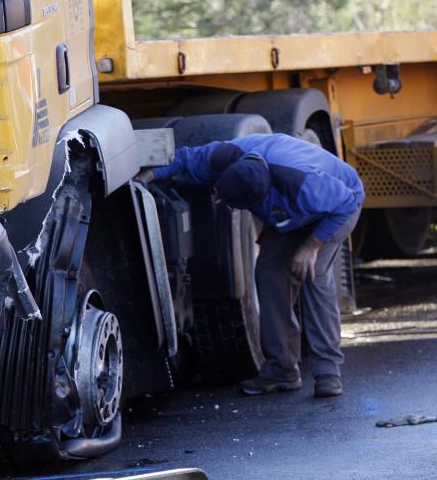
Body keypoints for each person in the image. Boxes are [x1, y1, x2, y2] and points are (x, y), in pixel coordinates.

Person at [137, 133, 365, 398]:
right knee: (269, 274)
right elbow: (184, 158)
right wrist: (147, 177)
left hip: (336, 210)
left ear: (261, 198)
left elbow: (345, 202)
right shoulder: (226, 156)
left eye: (234, 206)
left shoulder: (301, 182)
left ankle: (328, 373)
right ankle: (282, 370)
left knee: (312, 273)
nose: (227, 207)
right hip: (291, 213)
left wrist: (311, 247)